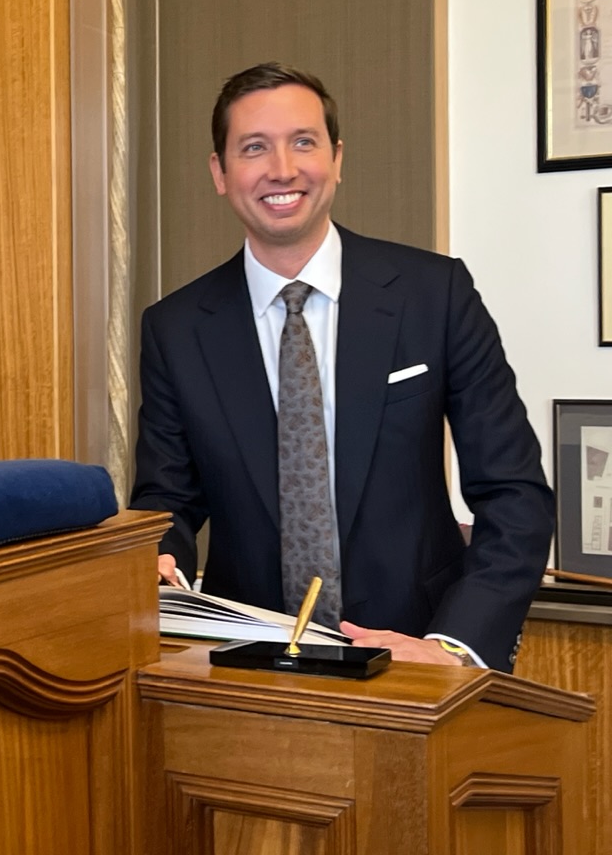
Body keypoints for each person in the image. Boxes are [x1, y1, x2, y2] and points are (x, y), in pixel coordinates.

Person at [130, 62, 552, 672]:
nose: (282, 168)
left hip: (418, 656)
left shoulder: (434, 294)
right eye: (254, 148)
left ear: (337, 157)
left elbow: (515, 494)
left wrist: (453, 645)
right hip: (246, 669)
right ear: (220, 172)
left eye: (304, 142)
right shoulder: (174, 328)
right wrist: (155, 561)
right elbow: (165, 498)